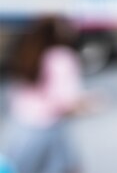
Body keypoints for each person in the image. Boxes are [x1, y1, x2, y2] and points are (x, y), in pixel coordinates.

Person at [3, 16, 91, 173]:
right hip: (49, 129)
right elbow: (67, 101)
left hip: (22, 128)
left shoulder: (27, 52)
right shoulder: (61, 56)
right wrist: (90, 104)